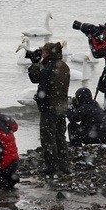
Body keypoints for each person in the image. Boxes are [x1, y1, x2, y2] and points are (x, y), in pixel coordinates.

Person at [28, 42, 71, 175]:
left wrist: (34, 64)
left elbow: (35, 79)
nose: (41, 54)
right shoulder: (63, 66)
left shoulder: (50, 67)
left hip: (50, 107)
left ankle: (52, 167)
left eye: (44, 51)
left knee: (48, 138)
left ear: (48, 53)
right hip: (61, 106)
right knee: (60, 137)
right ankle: (64, 165)